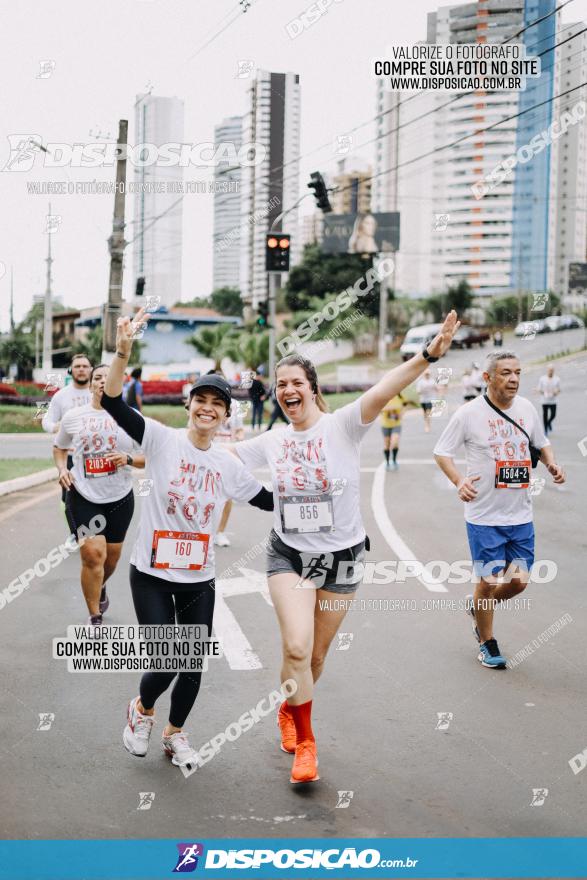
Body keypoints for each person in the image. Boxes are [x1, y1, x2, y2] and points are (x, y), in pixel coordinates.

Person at [233, 311, 460, 784]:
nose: (287, 391)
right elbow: (213, 454)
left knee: (314, 657)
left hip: (343, 559)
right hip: (288, 556)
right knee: (295, 647)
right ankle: (307, 744)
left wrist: (427, 354)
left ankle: (288, 707)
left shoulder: (342, 427)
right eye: (280, 385)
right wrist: (149, 451)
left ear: (312, 388)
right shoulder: (272, 442)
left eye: (296, 381)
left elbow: (384, 386)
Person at [102, 309, 273, 768]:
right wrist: (122, 352)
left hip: (199, 576)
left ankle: (175, 735)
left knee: (194, 665)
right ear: (189, 404)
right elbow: (114, 402)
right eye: (201, 399)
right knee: (167, 660)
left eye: (217, 404)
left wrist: (316, 491)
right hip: (153, 573)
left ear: (225, 415)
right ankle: (141, 710)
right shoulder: (160, 441)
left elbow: (268, 500)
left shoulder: (227, 463)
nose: (208, 408)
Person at [433, 351, 565, 670]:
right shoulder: (468, 414)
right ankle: (487, 643)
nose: (514, 379)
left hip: (520, 514)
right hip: (484, 517)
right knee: (489, 582)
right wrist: (459, 481)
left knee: (519, 582)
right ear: (488, 378)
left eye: (518, 372)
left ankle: (477, 606)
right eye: (506, 373)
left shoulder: (527, 408)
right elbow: (442, 452)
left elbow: (541, 440)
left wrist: (551, 462)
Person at [53, 364, 145, 629]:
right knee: (93, 555)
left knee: (112, 558)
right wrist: (62, 468)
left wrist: (127, 459)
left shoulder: (132, 418)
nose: (104, 381)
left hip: (120, 497)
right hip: (83, 494)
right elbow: (59, 447)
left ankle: (100, 585)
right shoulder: (74, 416)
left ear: (119, 382)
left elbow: (149, 456)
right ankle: (95, 616)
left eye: (109, 376)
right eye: (98, 377)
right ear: (91, 384)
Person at [42, 354, 93, 503]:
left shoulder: (98, 393)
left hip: (97, 456)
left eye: (85, 366)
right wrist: (56, 427)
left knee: (98, 499)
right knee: (71, 500)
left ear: (91, 370)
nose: (81, 369)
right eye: (77, 366)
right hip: (70, 458)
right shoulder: (61, 396)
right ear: (71, 370)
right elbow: (47, 420)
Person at [214, 397, 246, 548]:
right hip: (209, 454)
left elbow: (240, 429)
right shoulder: (210, 403)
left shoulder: (237, 405)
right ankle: (204, 531)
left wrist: (240, 436)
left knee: (227, 496)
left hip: (229, 456)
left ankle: (220, 532)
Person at [380, 393, 406, 470]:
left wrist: (401, 414)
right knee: (387, 445)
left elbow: (404, 406)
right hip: (385, 425)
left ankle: (394, 460)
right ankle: (387, 462)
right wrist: (392, 408)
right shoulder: (384, 397)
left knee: (395, 442)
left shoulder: (400, 397)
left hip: (396, 424)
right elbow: (381, 408)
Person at [536, 365, 560, 435]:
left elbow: (559, 389)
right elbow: (539, 389)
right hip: (544, 400)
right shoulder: (542, 379)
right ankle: (545, 429)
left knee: (553, 415)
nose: (551, 371)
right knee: (545, 415)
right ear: (547, 370)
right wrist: (544, 392)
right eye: (549, 370)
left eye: (552, 370)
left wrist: (556, 392)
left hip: (553, 400)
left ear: (553, 371)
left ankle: (549, 422)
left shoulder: (557, 379)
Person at [415, 368, 436, 433]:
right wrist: (422, 390)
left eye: (428, 374)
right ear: (424, 374)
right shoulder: (421, 382)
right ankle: (426, 423)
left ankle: (427, 426)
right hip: (423, 400)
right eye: (426, 374)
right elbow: (418, 392)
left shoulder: (432, 381)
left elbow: (437, 388)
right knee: (425, 413)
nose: (427, 375)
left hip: (431, 399)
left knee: (428, 412)